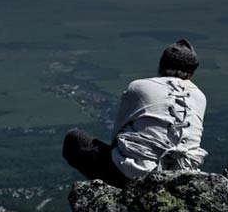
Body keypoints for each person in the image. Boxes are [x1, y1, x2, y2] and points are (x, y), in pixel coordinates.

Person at [62, 39, 207, 188]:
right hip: (184, 178)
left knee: (74, 139)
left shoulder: (139, 87)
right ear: (191, 73)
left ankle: (116, 192)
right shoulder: (200, 97)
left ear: (161, 65)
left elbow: (117, 136)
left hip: (136, 175)